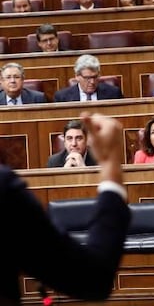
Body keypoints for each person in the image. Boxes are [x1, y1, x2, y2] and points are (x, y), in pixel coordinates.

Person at [0, 112, 130, 304]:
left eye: (79, 138)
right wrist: (111, 165)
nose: (74, 143)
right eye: (69, 138)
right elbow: (92, 279)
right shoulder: (4, 187)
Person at [54, 54, 123, 102]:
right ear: (77, 76)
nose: (92, 82)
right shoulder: (62, 97)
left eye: (95, 77)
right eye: (87, 78)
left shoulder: (113, 93)